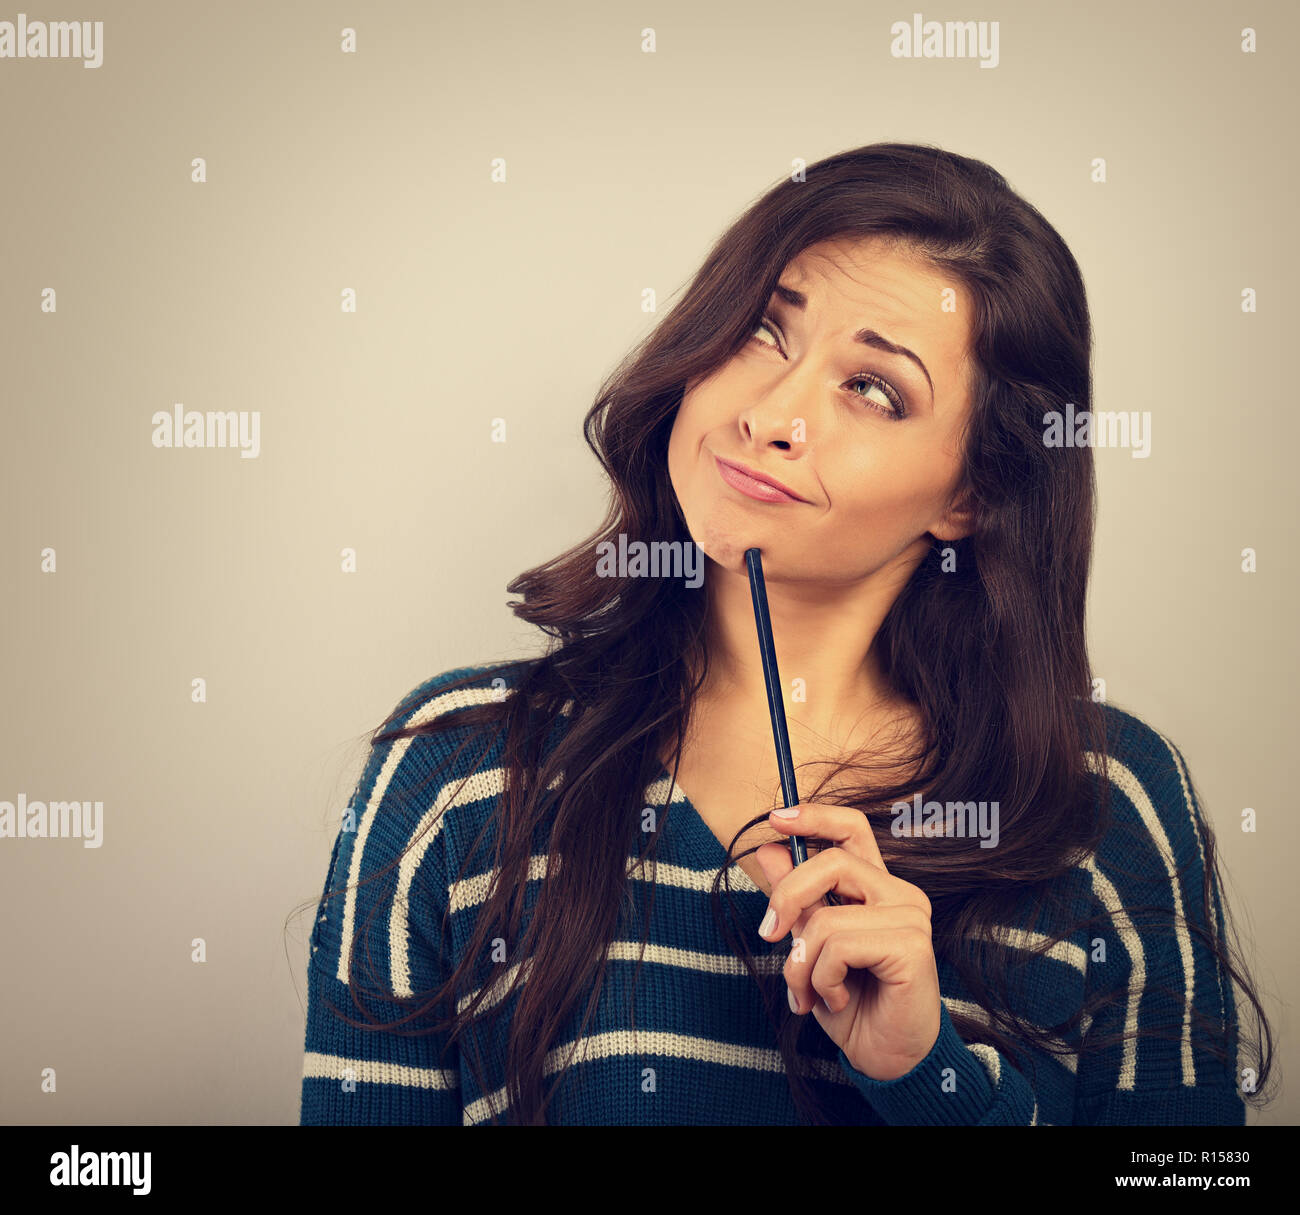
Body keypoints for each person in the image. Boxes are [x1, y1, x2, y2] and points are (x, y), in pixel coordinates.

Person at [297, 142, 1273, 1126]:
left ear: (972, 492)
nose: (771, 414)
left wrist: (930, 1075)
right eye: (764, 331)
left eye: (872, 389)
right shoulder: (461, 771)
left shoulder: (1100, 802)